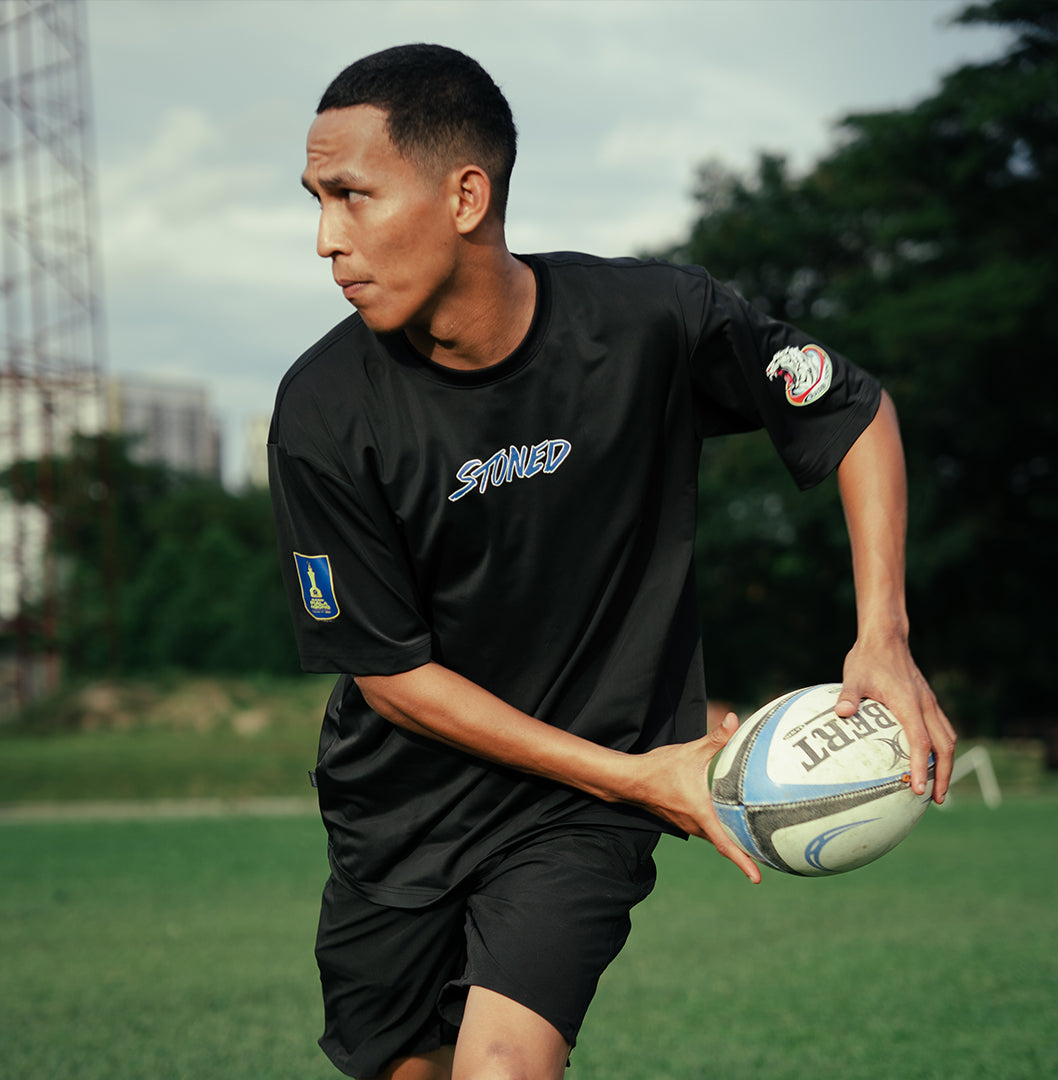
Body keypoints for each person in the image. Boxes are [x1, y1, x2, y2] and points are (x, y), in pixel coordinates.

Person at [268, 43, 956, 1080]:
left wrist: (884, 636)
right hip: (399, 814)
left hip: (582, 806)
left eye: (354, 197)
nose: (327, 239)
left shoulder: (652, 323)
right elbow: (392, 678)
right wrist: (642, 774)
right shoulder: (324, 411)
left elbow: (851, 412)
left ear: (466, 195)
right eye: (317, 200)